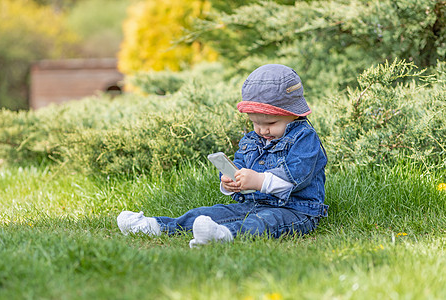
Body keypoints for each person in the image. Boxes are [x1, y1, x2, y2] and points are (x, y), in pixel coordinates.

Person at [117, 64, 328, 247]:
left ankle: (223, 235)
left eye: (271, 124)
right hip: (252, 204)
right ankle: (155, 226)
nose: (262, 131)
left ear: (292, 113)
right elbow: (239, 165)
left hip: (297, 210)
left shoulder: (304, 137)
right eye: (255, 123)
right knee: (209, 213)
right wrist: (229, 182)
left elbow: (295, 178)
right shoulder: (252, 140)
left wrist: (257, 181)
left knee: (265, 222)